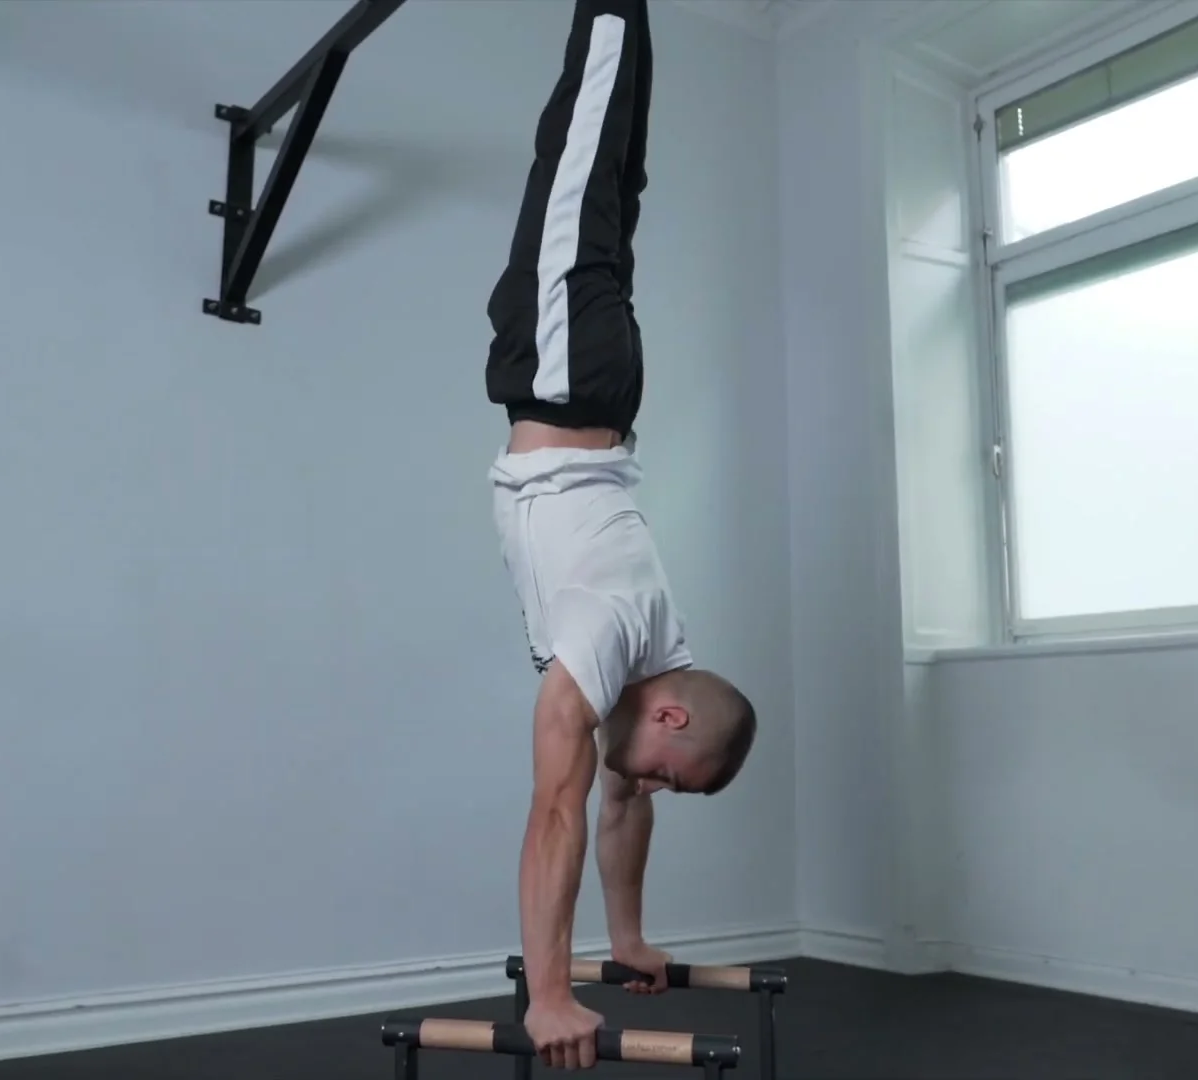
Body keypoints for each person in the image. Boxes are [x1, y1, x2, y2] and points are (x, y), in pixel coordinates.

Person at [483, 0, 758, 1069]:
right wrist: (548, 995)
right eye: (666, 772)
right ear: (673, 712)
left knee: (610, 176)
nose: (644, 786)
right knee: (584, 136)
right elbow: (558, 805)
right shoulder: (604, 643)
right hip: (564, 375)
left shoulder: (655, 658)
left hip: (591, 383)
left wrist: (629, 938)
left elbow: (612, 802)